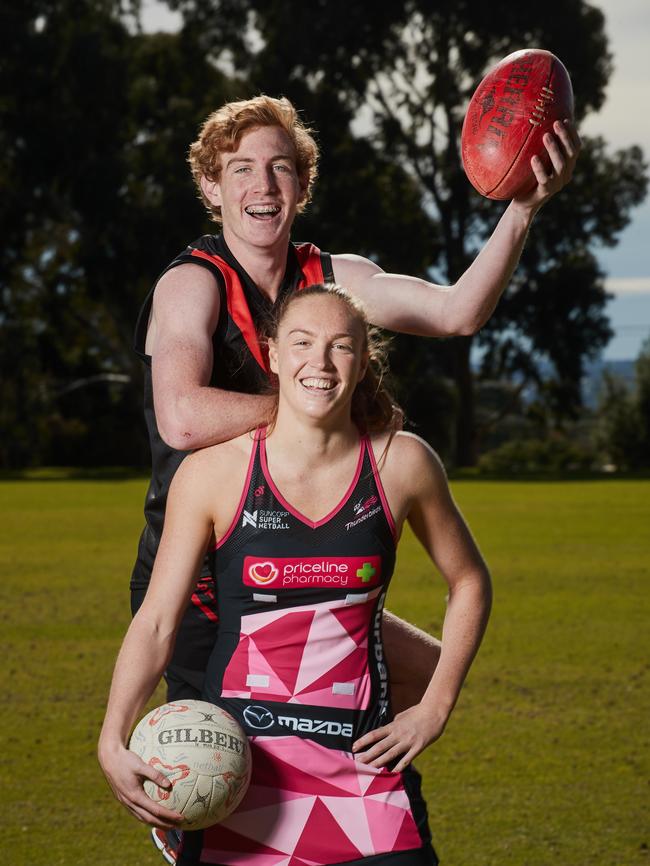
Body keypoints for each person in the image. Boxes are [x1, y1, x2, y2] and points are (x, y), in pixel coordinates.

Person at [99, 284, 492, 866]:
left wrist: (435, 706)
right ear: (275, 354)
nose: (321, 362)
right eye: (303, 343)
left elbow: (470, 582)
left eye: (341, 346)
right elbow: (158, 621)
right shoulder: (212, 473)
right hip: (239, 779)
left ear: (363, 362)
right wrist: (113, 735)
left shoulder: (401, 463)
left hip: (364, 778)